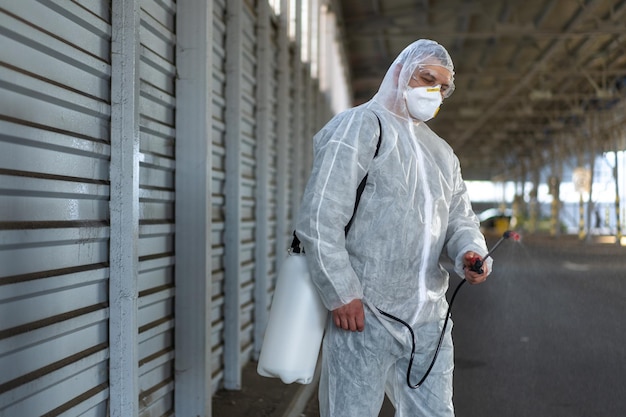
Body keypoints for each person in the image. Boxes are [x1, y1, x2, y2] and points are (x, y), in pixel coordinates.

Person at [295, 39, 492, 417]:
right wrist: (340, 291)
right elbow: (321, 214)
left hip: (429, 322)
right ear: (401, 73)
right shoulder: (360, 127)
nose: (434, 91)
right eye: (426, 78)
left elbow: (459, 218)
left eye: (442, 87)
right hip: (364, 314)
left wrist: (469, 250)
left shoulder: (442, 154)